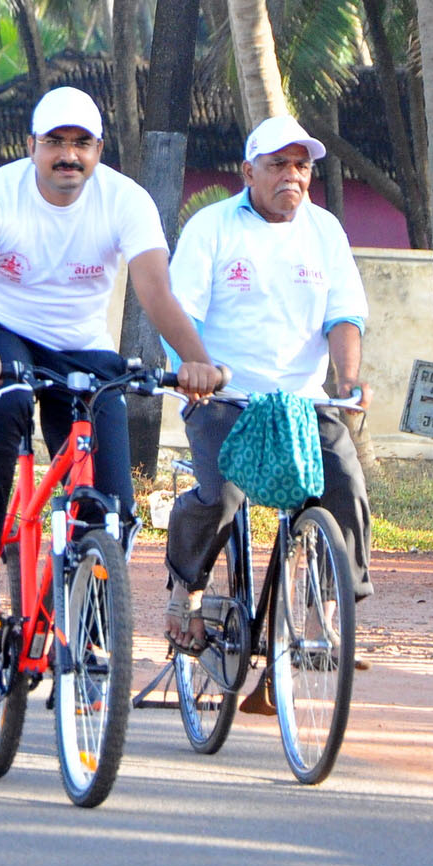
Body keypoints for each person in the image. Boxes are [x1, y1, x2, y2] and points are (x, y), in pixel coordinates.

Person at [0, 86, 221, 619]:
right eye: (55, 142)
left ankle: (86, 614)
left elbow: (157, 292)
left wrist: (196, 362)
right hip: (3, 333)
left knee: (111, 506)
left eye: (82, 143)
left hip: (83, 347)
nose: (68, 155)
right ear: (32, 147)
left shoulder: (125, 199)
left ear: (98, 149)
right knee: (2, 409)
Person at [163, 115, 373, 651]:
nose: (293, 175)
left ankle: (328, 615)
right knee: (222, 493)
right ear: (248, 171)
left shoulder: (325, 230)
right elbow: (180, 313)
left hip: (301, 400)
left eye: (302, 165)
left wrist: (348, 379)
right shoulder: (211, 227)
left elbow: (344, 314)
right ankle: (187, 588)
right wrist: (193, 369)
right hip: (224, 395)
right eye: (278, 163)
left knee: (343, 480)